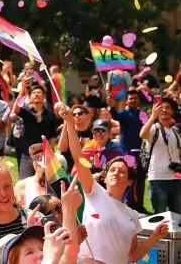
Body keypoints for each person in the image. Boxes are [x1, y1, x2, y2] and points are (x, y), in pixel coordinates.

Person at [60, 103, 170, 264]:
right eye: (112, 170)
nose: (116, 173)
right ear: (104, 177)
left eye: (122, 171)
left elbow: (132, 256)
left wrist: (154, 237)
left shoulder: (132, 215)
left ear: (130, 181)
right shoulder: (95, 192)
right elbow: (78, 158)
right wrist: (70, 123)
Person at [139, 98, 181, 214]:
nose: (164, 110)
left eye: (168, 108)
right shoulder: (154, 128)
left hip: (176, 179)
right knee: (160, 215)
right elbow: (142, 134)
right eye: (161, 107)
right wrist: (153, 117)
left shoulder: (175, 132)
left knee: (178, 216)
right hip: (158, 179)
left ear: (172, 111)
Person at [107, 90, 147, 213]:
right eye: (131, 98)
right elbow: (115, 115)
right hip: (128, 153)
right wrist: (111, 106)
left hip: (142, 152)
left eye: (135, 98)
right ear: (127, 101)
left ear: (139, 100)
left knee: (140, 179)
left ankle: (139, 205)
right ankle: (130, 205)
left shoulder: (143, 114)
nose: (133, 100)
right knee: (130, 180)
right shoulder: (124, 114)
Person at [11, 84, 58, 179]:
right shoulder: (25, 111)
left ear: (44, 96)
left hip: (43, 155)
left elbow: (52, 135)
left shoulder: (50, 115)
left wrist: (49, 152)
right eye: (33, 93)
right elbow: (16, 109)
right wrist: (23, 90)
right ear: (30, 97)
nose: (36, 94)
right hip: (27, 154)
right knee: (24, 182)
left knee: (44, 183)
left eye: (38, 92)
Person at [78, 119, 124, 185]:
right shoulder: (87, 149)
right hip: (89, 187)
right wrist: (91, 177)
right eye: (95, 131)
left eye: (102, 131)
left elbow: (121, 174)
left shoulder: (116, 152)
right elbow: (79, 171)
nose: (98, 134)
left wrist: (108, 175)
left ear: (109, 132)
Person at [58, 105, 92, 174]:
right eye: (73, 114)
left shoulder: (94, 133)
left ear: (88, 116)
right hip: (71, 172)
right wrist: (66, 121)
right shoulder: (69, 132)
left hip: (90, 172)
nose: (76, 116)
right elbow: (62, 148)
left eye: (80, 113)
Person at [14, 144, 47, 208]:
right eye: (36, 157)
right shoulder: (22, 186)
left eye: (44, 157)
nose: (40, 159)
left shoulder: (58, 184)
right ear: (32, 161)